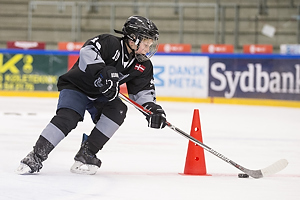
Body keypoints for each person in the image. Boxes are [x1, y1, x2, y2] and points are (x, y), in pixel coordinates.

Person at [17, 15, 167, 175]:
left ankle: (87, 153)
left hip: (101, 96)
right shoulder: (109, 43)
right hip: (77, 87)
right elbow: (87, 51)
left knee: (118, 110)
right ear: (133, 38)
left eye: (150, 44)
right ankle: (36, 155)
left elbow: (142, 92)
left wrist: (152, 110)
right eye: (146, 44)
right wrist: (102, 72)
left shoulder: (143, 65)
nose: (148, 49)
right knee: (68, 117)